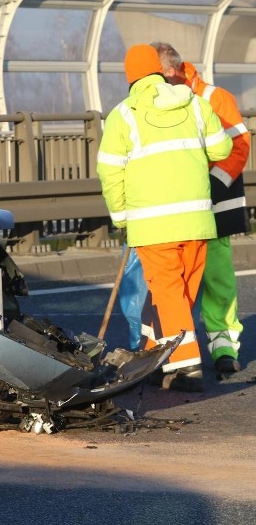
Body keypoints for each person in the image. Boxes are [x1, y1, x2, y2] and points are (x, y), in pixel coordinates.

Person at [97, 44, 232, 392]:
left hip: (152, 224)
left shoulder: (123, 115)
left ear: (130, 77)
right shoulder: (196, 104)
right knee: (181, 293)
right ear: (160, 70)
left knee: (169, 293)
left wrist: (121, 216)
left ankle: (186, 368)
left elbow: (110, 171)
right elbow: (222, 149)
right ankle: (157, 354)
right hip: (197, 220)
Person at [151, 42, 251, 373]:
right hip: (175, 203)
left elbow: (239, 146)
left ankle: (223, 347)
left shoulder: (214, 97)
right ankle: (162, 350)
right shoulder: (154, 96)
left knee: (217, 274)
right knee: (168, 282)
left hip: (215, 201)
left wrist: (210, 185)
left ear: (174, 71)